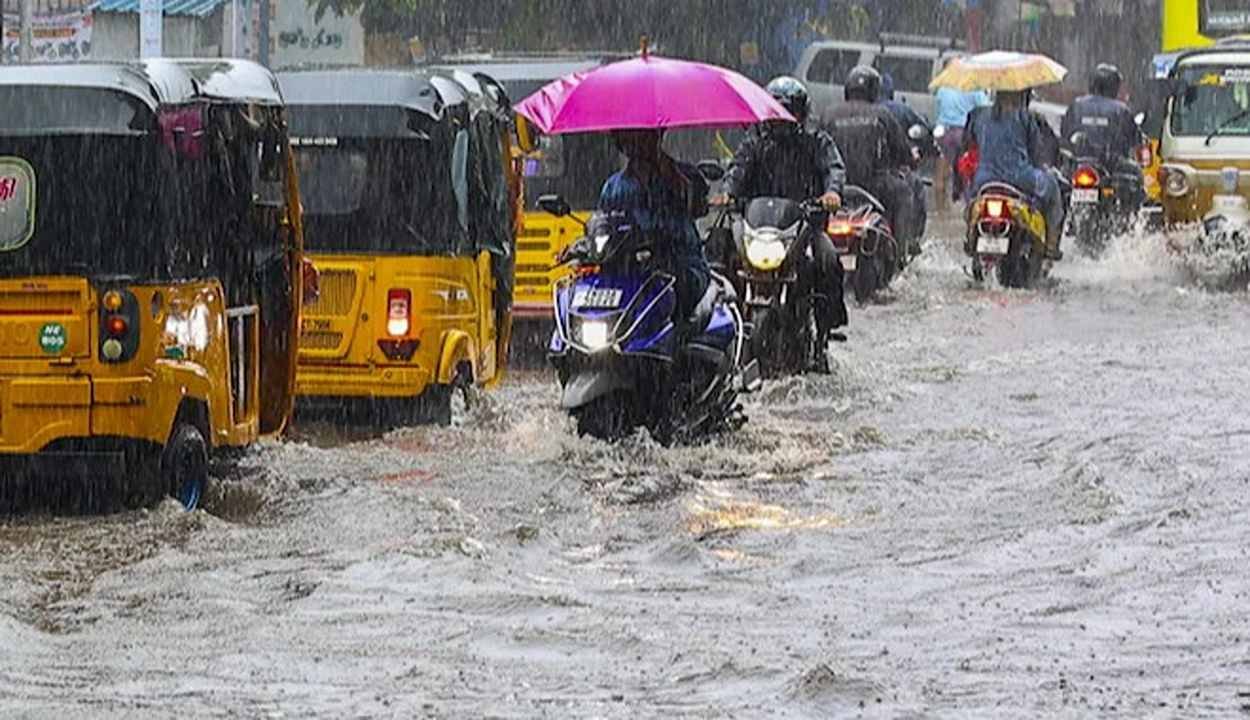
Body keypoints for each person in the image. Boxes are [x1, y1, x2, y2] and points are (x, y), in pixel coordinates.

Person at [715, 76, 848, 367]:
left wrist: (831, 193)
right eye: (777, 110)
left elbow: (833, 168)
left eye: (790, 111)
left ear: (801, 114)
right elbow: (737, 170)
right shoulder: (755, 141)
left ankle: (825, 330)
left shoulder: (816, 141)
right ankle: (719, 326)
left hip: (804, 226)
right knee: (719, 250)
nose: (783, 118)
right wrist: (726, 193)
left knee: (827, 260)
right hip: (758, 228)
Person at [597, 129, 709, 323]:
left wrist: (677, 182)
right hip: (630, 273)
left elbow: (699, 205)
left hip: (679, 266)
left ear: (656, 137)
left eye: (642, 137)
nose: (635, 144)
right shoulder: (613, 187)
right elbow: (603, 224)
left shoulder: (682, 175)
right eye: (628, 138)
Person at [818, 65, 918, 257]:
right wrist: (911, 159)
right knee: (905, 193)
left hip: (836, 189)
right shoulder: (882, 114)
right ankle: (900, 253)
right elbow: (902, 152)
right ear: (874, 90)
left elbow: (818, 151)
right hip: (875, 186)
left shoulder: (828, 114)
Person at [963, 88, 1066, 259]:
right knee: (1053, 185)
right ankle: (1051, 245)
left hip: (984, 180)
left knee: (971, 203)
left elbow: (968, 143)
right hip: (1021, 178)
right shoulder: (1025, 117)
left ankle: (969, 235)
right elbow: (1037, 154)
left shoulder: (978, 115)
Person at [1060, 63, 1145, 204]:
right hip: (1111, 165)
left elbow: (1065, 133)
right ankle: (1132, 221)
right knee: (1137, 175)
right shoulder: (1121, 110)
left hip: (1078, 163)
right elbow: (1134, 138)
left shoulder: (1076, 105)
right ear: (1114, 86)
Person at [879, 72, 933, 253]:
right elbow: (921, 132)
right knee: (912, 190)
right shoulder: (896, 111)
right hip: (889, 174)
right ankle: (907, 243)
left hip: (858, 177)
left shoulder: (845, 112)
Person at [934, 70, 991, 204]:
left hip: (943, 131)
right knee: (965, 169)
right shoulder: (973, 88)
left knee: (942, 172)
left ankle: (941, 209)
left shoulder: (943, 88)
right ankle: (966, 203)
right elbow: (986, 107)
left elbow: (938, 108)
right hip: (963, 133)